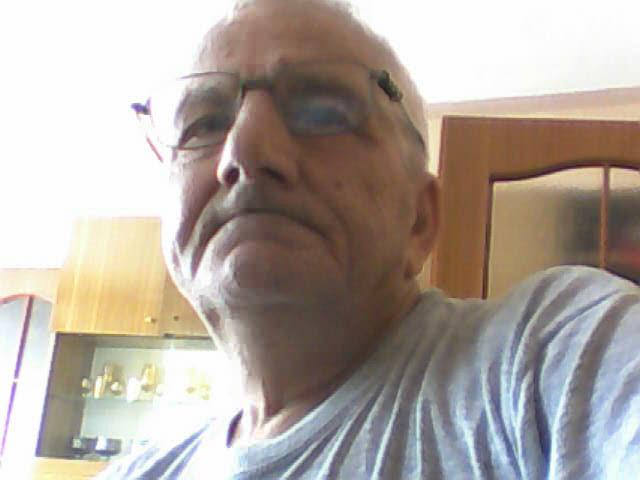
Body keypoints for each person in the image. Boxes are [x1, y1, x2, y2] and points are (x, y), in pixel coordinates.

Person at [100, 0, 640, 478]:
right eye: (203, 123)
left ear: (420, 220)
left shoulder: (554, 355)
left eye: (322, 113)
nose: (245, 153)